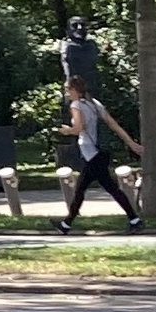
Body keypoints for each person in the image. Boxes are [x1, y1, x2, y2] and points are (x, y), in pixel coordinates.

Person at [54, 77, 143, 234]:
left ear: (74, 90)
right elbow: (113, 124)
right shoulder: (94, 103)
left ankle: (134, 220)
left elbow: (79, 128)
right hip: (102, 151)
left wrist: (66, 131)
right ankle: (66, 224)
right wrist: (131, 143)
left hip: (91, 153)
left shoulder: (76, 105)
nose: (66, 94)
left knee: (106, 188)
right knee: (84, 189)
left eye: (67, 90)